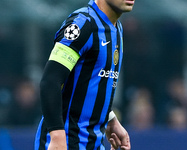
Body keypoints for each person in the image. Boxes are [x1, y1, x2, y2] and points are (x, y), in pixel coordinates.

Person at [35, 0, 135, 149]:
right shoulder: (82, 24)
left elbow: (87, 82)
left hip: (93, 143)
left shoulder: (116, 28)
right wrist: (57, 137)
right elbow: (50, 81)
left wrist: (110, 118)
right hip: (66, 142)